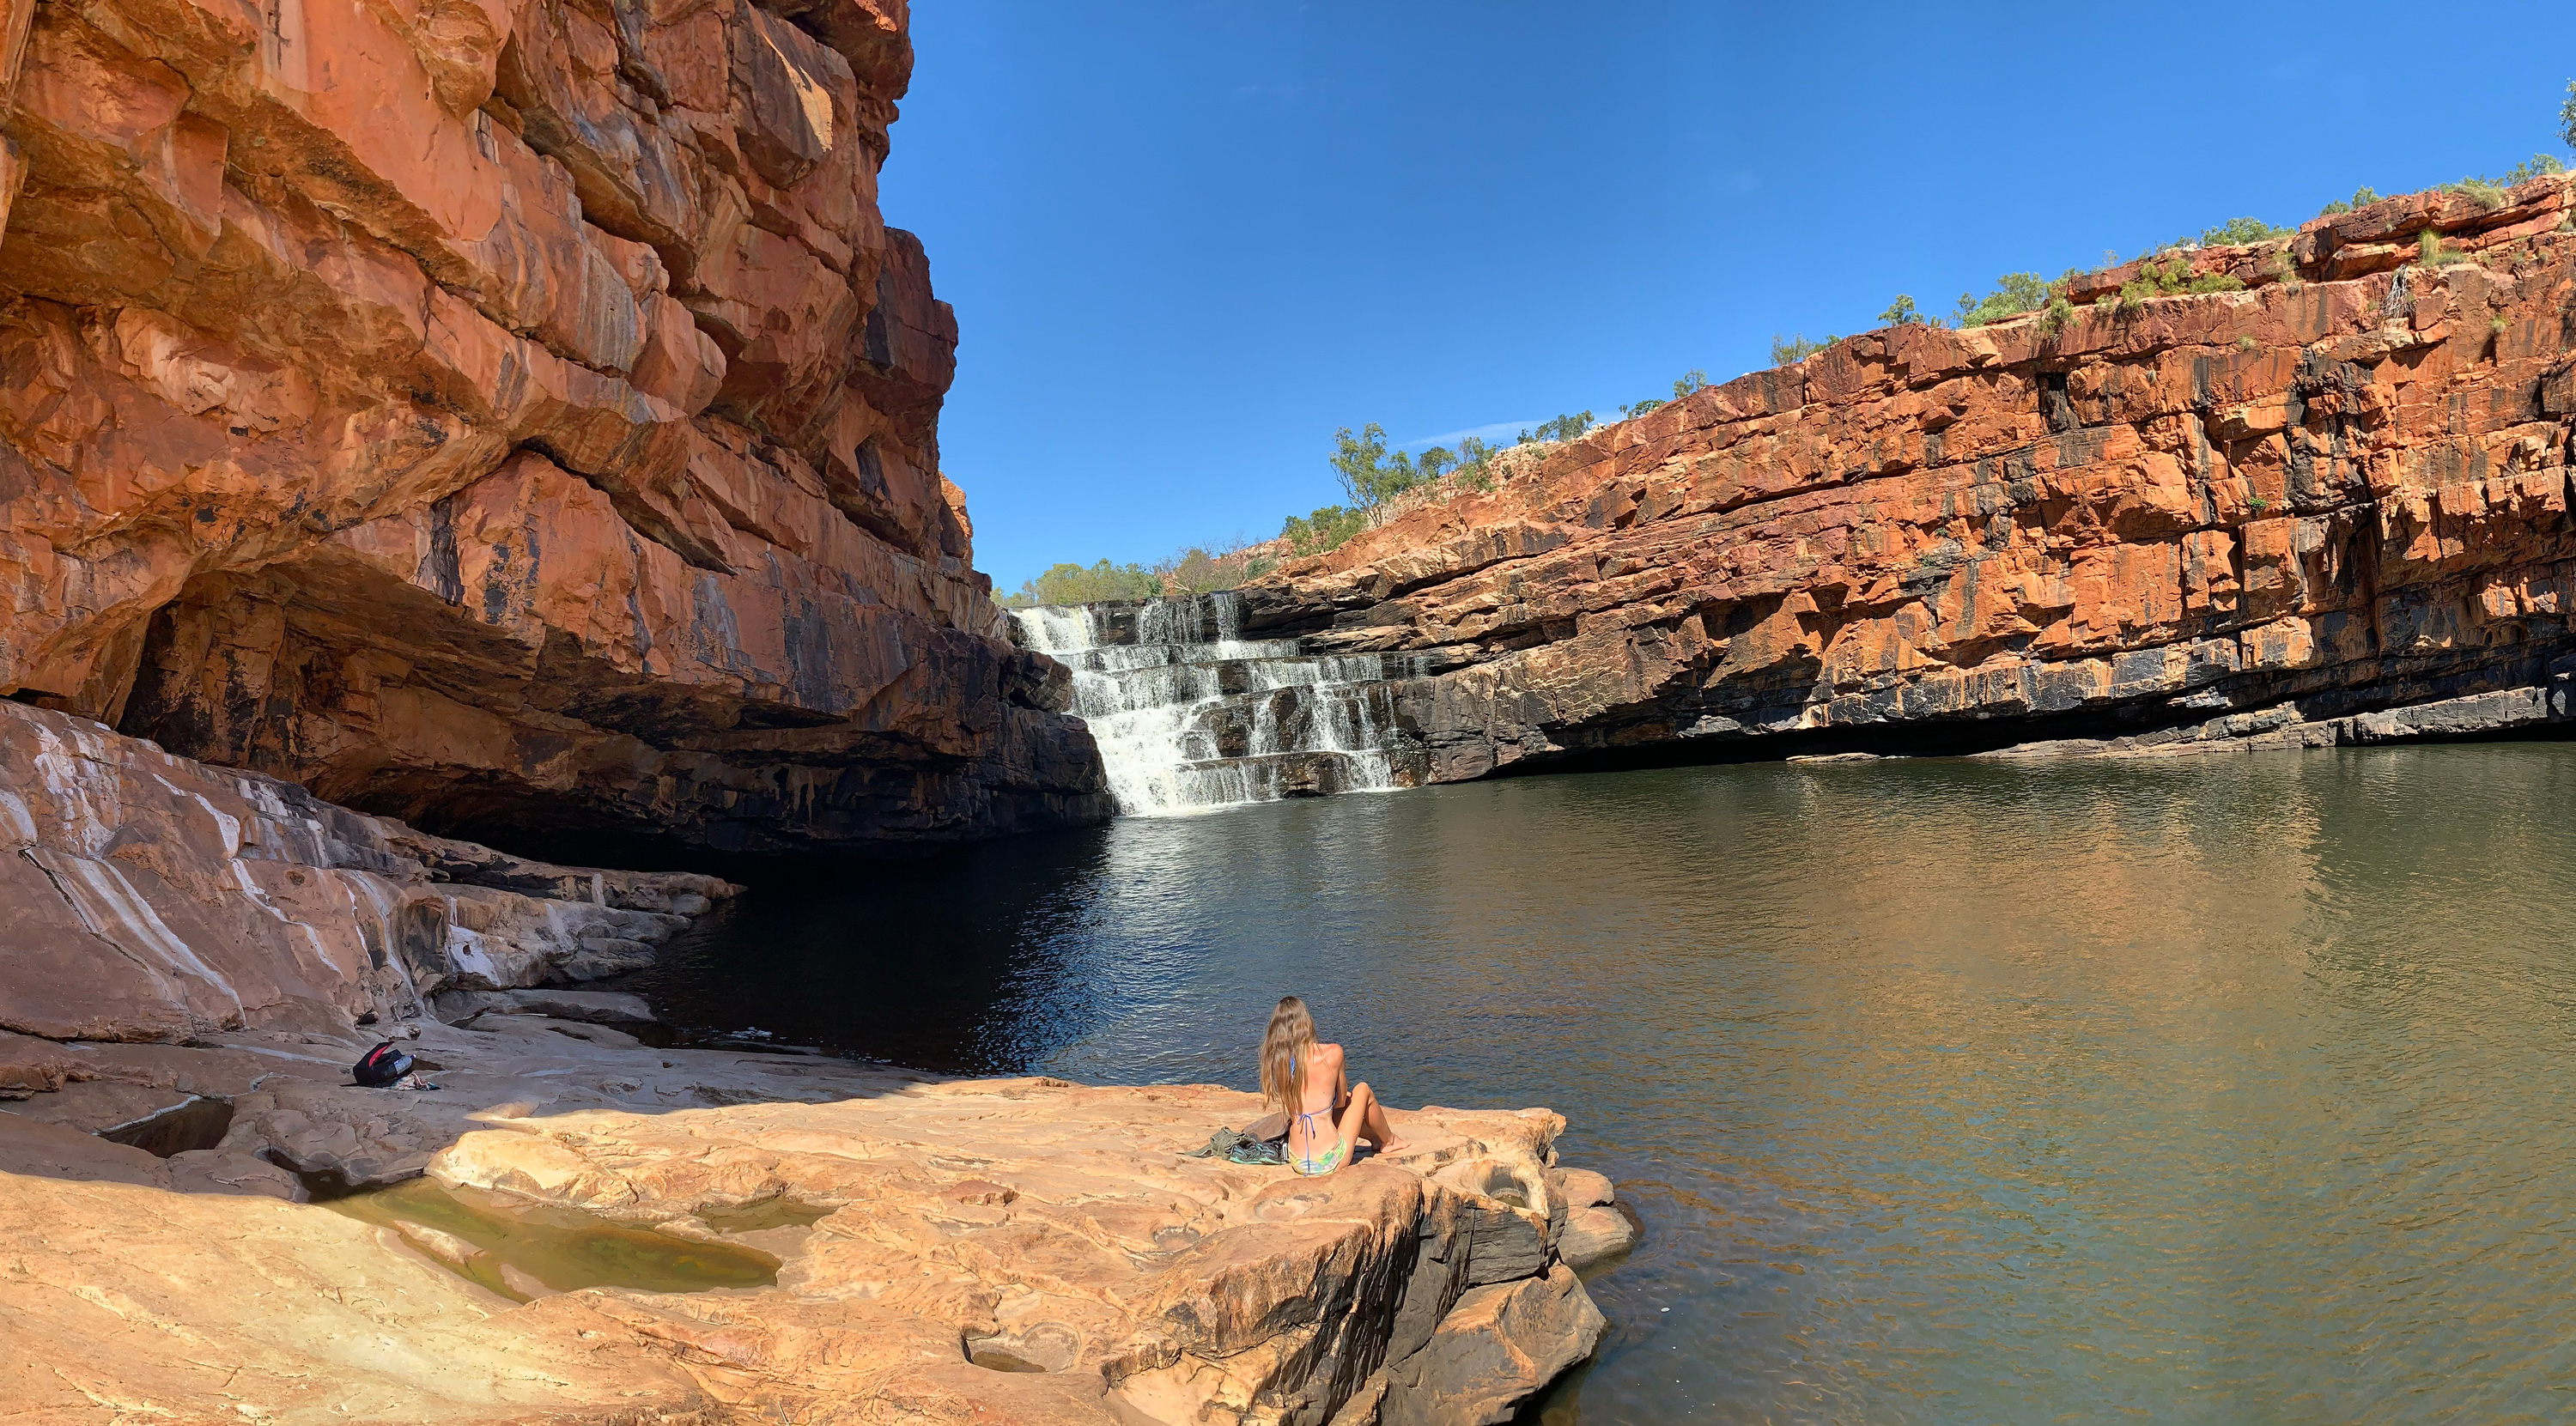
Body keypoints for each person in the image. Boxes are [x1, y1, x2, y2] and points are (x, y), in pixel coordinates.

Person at [1260, 996, 1406, 1176]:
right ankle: (1389, 1141)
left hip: (1297, 1159)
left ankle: (1375, 1139)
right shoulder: (1332, 1053)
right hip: (1329, 1160)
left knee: (1324, 1112)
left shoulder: (1278, 1062)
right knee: (1361, 1091)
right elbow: (1341, 1101)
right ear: (1306, 1023)